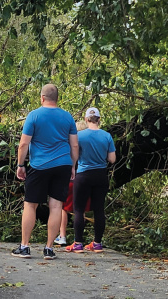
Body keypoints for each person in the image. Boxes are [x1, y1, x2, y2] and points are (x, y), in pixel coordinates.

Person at [12, 84, 79, 260]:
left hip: (39, 165)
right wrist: (72, 166)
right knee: (56, 206)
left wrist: (20, 165)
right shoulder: (68, 117)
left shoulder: (34, 115)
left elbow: (24, 144)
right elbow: (74, 145)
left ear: (42, 98)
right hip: (63, 164)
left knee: (30, 204)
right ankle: (49, 249)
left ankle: (25, 246)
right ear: (57, 98)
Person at [68, 107, 116, 252]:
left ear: (86, 119)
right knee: (99, 210)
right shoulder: (107, 136)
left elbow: (74, 155)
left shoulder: (79, 136)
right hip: (101, 175)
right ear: (99, 119)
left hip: (83, 175)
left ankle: (77, 243)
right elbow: (112, 159)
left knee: (79, 209)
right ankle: (97, 243)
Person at [55, 119, 87, 246]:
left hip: (69, 178)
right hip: (83, 177)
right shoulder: (88, 145)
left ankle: (62, 235)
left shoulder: (69, 145)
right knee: (80, 209)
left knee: (63, 208)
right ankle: (78, 237)